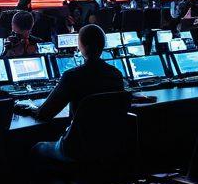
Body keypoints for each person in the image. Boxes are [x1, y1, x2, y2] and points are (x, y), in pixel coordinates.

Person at [20, 24, 128, 170]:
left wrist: (30, 108)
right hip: (108, 144)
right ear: (103, 45)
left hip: (76, 147)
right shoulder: (116, 74)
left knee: (37, 149)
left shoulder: (72, 76)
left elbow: (44, 114)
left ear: (81, 45)